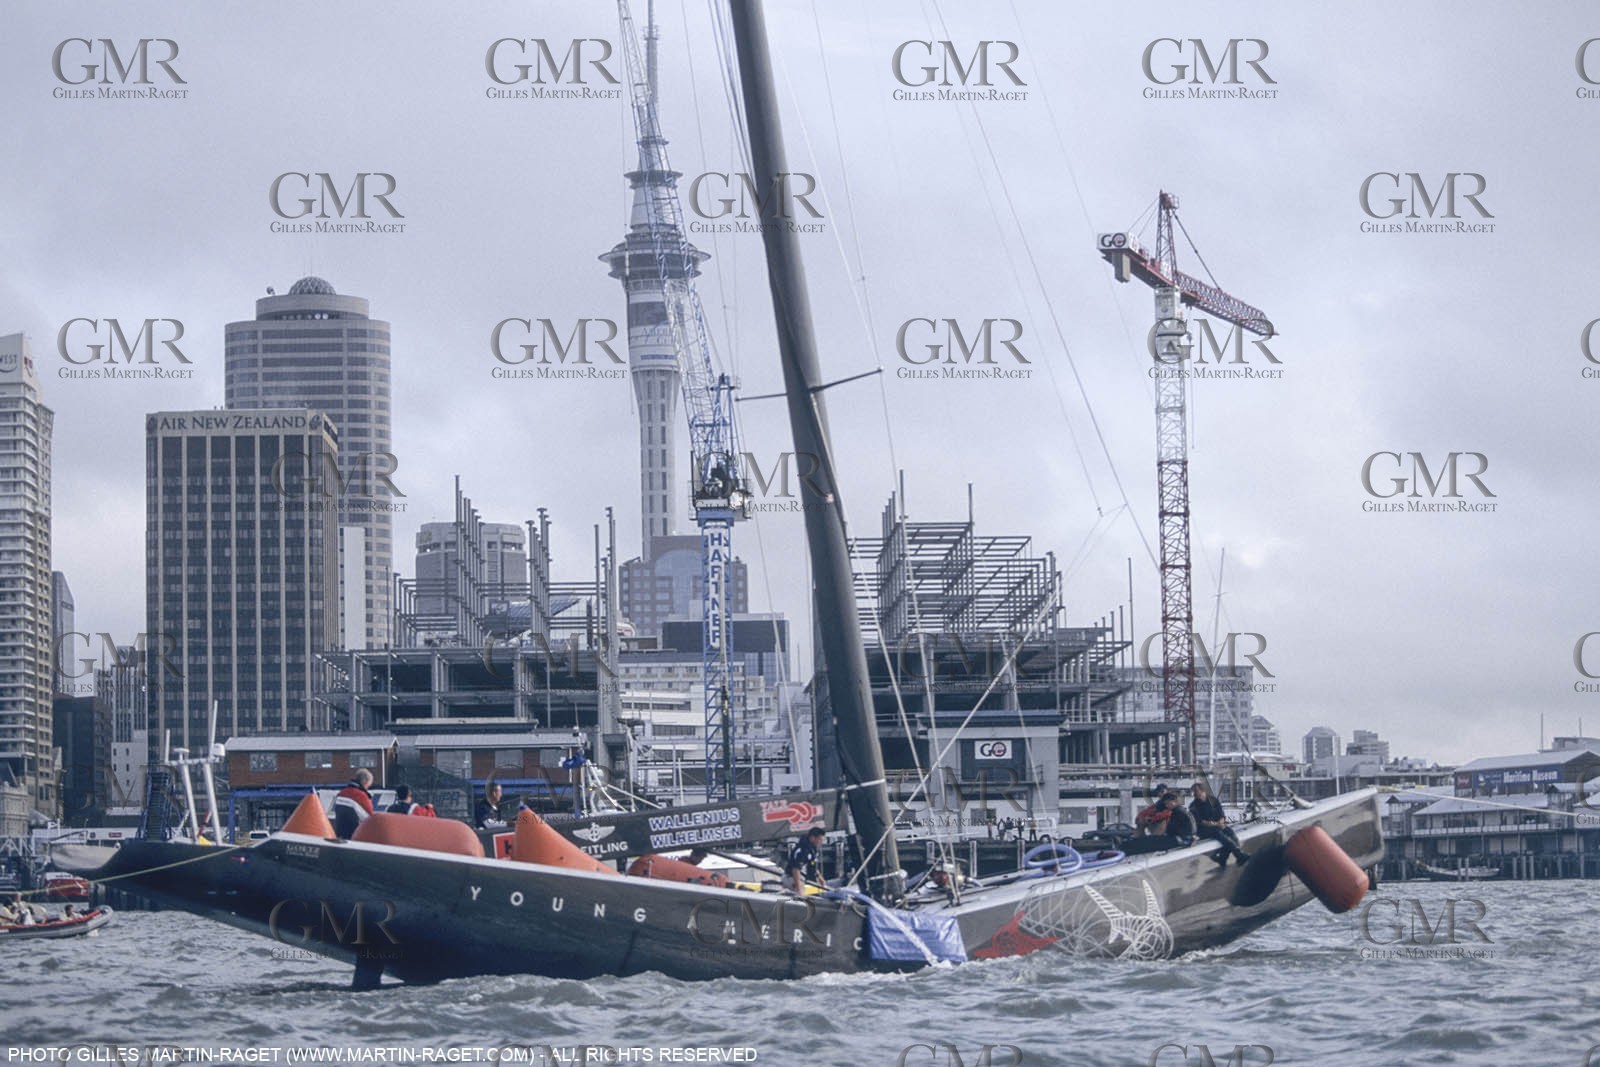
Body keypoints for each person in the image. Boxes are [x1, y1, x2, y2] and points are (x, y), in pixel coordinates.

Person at [1190, 782, 1249, 867]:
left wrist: (1220, 822)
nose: (1194, 793)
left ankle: (1224, 857)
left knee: (1230, 833)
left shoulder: (1213, 800)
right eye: (1194, 792)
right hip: (1204, 829)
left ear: (1203, 791)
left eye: (1196, 791)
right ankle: (1238, 855)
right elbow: (1200, 821)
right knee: (1220, 834)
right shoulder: (1193, 806)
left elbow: (1221, 814)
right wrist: (1215, 824)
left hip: (1216, 825)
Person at [333, 768, 376, 839]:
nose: (367, 788)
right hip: (354, 836)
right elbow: (369, 820)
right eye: (368, 786)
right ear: (365, 781)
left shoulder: (341, 793)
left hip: (339, 834)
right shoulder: (361, 796)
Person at [785, 827, 826, 893]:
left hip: (804, 878)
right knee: (801, 893)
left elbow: (812, 864)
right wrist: (798, 887)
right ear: (812, 838)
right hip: (792, 877)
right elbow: (796, 869)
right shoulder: (802, 850)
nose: (821, 842)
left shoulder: (812, 849)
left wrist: (820, 878)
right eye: (820, 839)